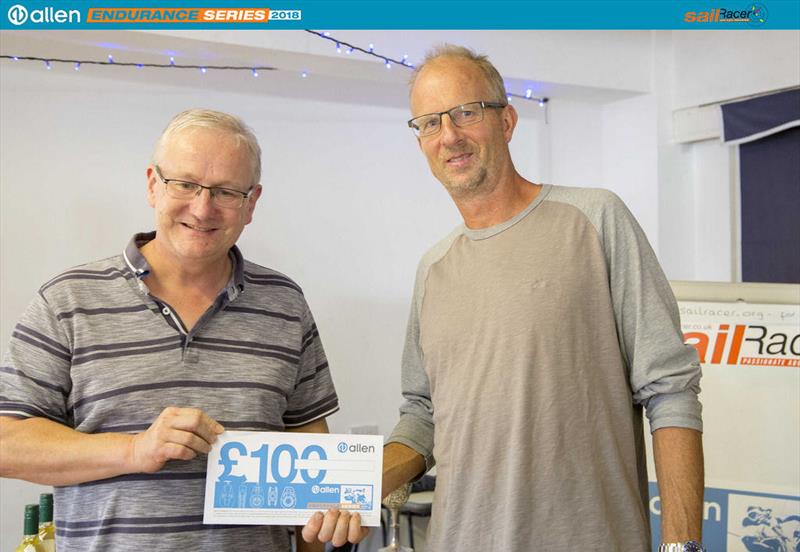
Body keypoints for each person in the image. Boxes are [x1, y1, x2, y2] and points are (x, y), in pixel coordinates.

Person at [374, 45, 706, 551]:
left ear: (506, 121)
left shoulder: (595, 220)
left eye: (466, 112)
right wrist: (351, 485)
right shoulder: (433, 269)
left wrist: (682, 546)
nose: (450, 136)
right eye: (429, 123)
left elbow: (671, 390)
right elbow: (423, 416)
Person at [0, 109, 360, 551]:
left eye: (226, 191)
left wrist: (324, 522)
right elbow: (7, 443)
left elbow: (308, 442)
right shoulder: (67, 300)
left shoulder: (285, 303)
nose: (203, 208)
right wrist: (133, 451)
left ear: (252, 202)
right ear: (153, 183)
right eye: (185, 184)